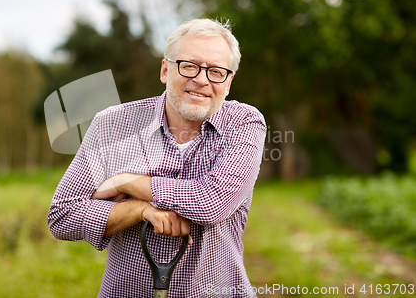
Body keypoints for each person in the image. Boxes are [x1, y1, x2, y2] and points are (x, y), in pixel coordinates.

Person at [47, 18, 266, 298]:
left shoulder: (244, 122)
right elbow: (63, 215)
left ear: (229, 81)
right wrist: (140, 210)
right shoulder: (113, 124)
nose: (202, 80)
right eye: (189, 65)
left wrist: (127, 182)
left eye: (216, 71)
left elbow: (212, 203)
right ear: (165, 70)